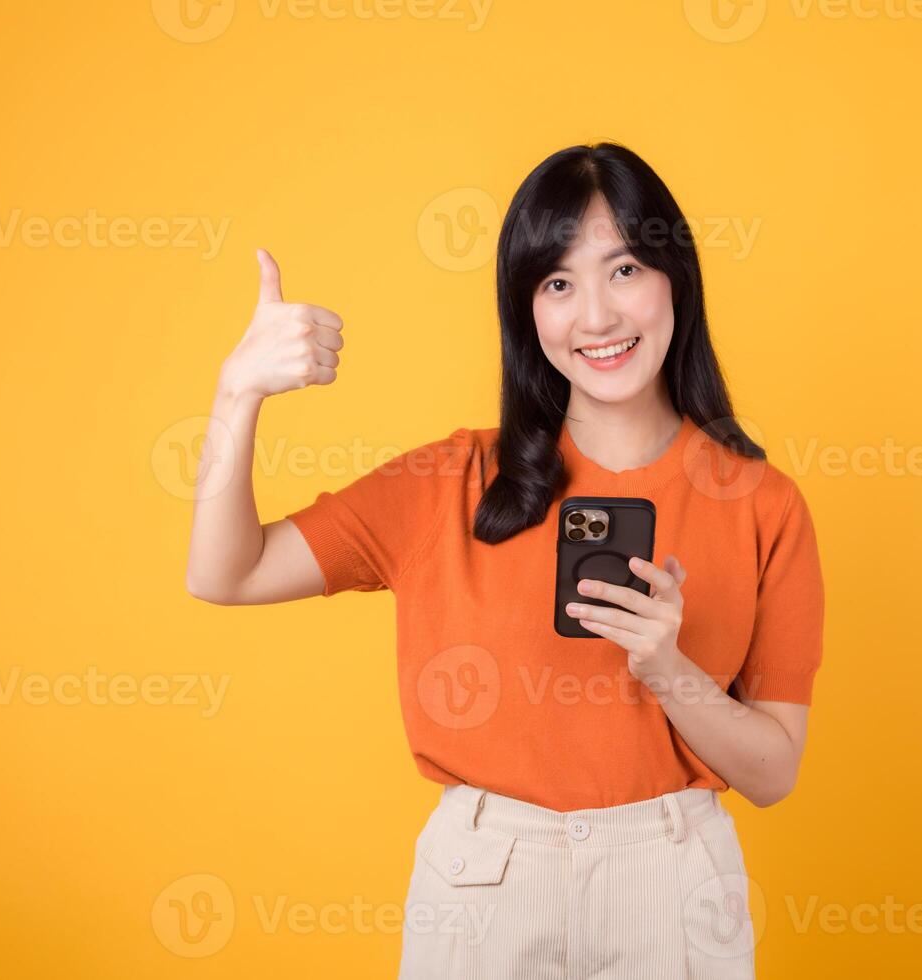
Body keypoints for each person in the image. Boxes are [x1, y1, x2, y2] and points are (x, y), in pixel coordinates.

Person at [185, 141, 825, 979]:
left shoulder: (762, 504)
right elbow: (224, 573)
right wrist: (238, 393)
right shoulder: (446, 482)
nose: (595, 316)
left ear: (676, 279)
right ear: (527, 311)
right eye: (557, 283)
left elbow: (774, 772)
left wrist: (667, 666)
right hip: (487, 883)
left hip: (670, 883)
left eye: (624, 269)